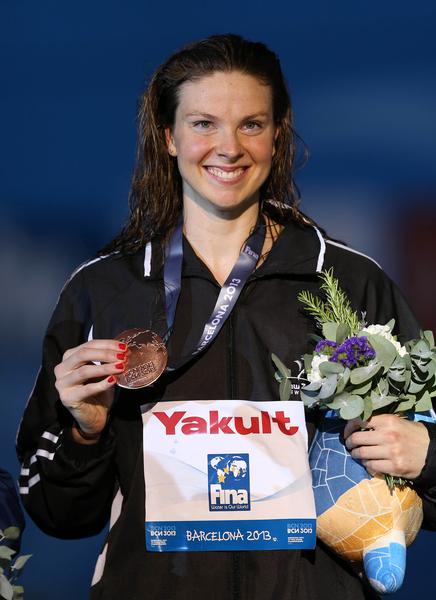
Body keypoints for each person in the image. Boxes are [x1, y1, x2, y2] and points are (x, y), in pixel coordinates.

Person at [16, 34, 436, 600]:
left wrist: (427, 455)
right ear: (168, 136)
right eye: (204, 123)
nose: (229, 147)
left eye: (252, 125)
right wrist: (84, 432)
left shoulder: (350, 282)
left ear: (278, 133)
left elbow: (425, 445)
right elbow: (58, 513)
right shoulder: (104, 291)